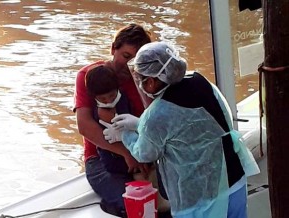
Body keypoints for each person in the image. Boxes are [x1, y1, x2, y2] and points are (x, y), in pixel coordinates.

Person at [103, 41, 260, 218]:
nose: (139, 84)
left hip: (203, 198)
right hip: (234, 178)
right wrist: (140, 124)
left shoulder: (157, 113)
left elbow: (144, 153)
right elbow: (194, 127)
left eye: (140, 79)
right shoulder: (200, 81)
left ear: (152, 82)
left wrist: (124, 134)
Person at [73, 23, 153, 217]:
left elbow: (155, 118)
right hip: (102, 158)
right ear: (113, 49)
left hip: (141, 151)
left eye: (136, 60)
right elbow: (85, 126)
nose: (129, 65)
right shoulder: (89, 76)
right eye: (126, 57)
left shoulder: (145, 79)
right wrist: (126, 153)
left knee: (165, 199)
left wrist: (141, 81)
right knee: (133, 205)